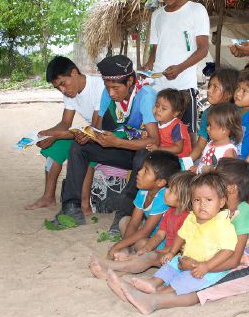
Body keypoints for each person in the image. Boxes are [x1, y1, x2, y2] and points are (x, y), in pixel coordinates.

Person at [111, 158, 249, 314]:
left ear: (232, 189)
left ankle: (154, 300)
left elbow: (233, 260)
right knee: (184, 269)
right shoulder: (216, 209)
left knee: (203, 286)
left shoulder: (243, 214)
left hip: (245, 270)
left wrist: (201, 267)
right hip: (220, 262)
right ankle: (147, 291)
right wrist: (193, 261)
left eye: (218, 179)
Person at [55, 55, 158, 227]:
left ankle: (124, 214)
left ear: (130, 80)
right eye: (107, 87)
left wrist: (119, 143)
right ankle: (72, 208)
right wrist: (88, 136)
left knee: (143, 157)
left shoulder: (146, 96)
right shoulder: (107, 94)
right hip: (119, 149)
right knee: (78, 148)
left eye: (116, 88)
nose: (111, 93)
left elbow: (154, 140)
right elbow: (97, 129)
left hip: (139, 151)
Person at [106, 172, 237, 303]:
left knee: (181, 283)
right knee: (170, 266)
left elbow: (227, 251)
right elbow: (181, 235)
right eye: (197, 200)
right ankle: (152, 283)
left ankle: (153, 294)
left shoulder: (223, 225)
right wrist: (172, 252)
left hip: (206, 270)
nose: (202, 205)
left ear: (221, 202)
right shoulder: (192, 217)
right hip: (185, 260)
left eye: (208, 200)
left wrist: (206, 266)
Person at [26, 56, 104, 210]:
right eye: (58, 88)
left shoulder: (99, 86)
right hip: (90, 132)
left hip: (104, 134)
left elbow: (95, 129)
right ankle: (48, 197)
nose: (63, 90)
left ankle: (84, 203)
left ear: (74, 73)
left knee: (82, 149)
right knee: (55, 148)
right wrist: (46, 133)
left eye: (63, 84)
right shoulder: (70, 93)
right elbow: (65, 123)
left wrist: (57, 135)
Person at [141, 0, 210, 134]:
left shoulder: (196, 10)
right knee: (157, 139)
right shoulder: (157, 15)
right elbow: (155, 50)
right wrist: (147, 67)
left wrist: (179, 68)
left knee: (186, 138)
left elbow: (203, 49)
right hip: (158, 88)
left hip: (183, 88)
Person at [88, 171, 193, 277]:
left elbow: (179, 245)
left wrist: (152, 252)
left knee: (149, 257)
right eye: (168, 188)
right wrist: (146, 248)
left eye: (171, 191)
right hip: (164, 250)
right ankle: (120, 270)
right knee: (142, 249)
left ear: (182, 200)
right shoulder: (170, 211)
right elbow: (159, 235)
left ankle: (114, 266)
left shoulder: (188, 219)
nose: (166, 191)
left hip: (175, 255)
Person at [106, 151, 181, 259]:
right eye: (141, 168)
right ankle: (127, 250)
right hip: (148, 233)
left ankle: (129, 252)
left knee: (141, 243)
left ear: (160, 182)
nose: (139, 172)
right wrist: (124, 246)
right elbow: (133, 223)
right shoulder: (143, 191)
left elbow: (146, 232)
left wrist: (118, 245)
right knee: (125, 221)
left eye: (146, 171)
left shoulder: (162, 197)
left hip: (160, 240)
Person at [189, 68, 239, 162]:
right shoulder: (207, 113)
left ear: (229, 94)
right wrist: (186, 162)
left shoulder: (236, 114)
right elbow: (200, 145)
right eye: (209, 85)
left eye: (215, 87)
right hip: (210, 158)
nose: (209, 90)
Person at [193, 103, 242, 173]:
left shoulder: (228, 151)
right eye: (207, 125)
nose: (207, 128)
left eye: (210, 125)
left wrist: (207, 170)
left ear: (224, 129)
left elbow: (227, 174)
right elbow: (203, 162)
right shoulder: (210, 143)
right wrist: (197, 168)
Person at [144, 88, 192, 158]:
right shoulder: (156, 122)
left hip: (179, 159)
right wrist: (147, 135)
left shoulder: (176, 126)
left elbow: (178, 148)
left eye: (164, 108)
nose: (158, 110)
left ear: (175, 113)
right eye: (157, 105)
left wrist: (158, 149)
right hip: (164, 154)